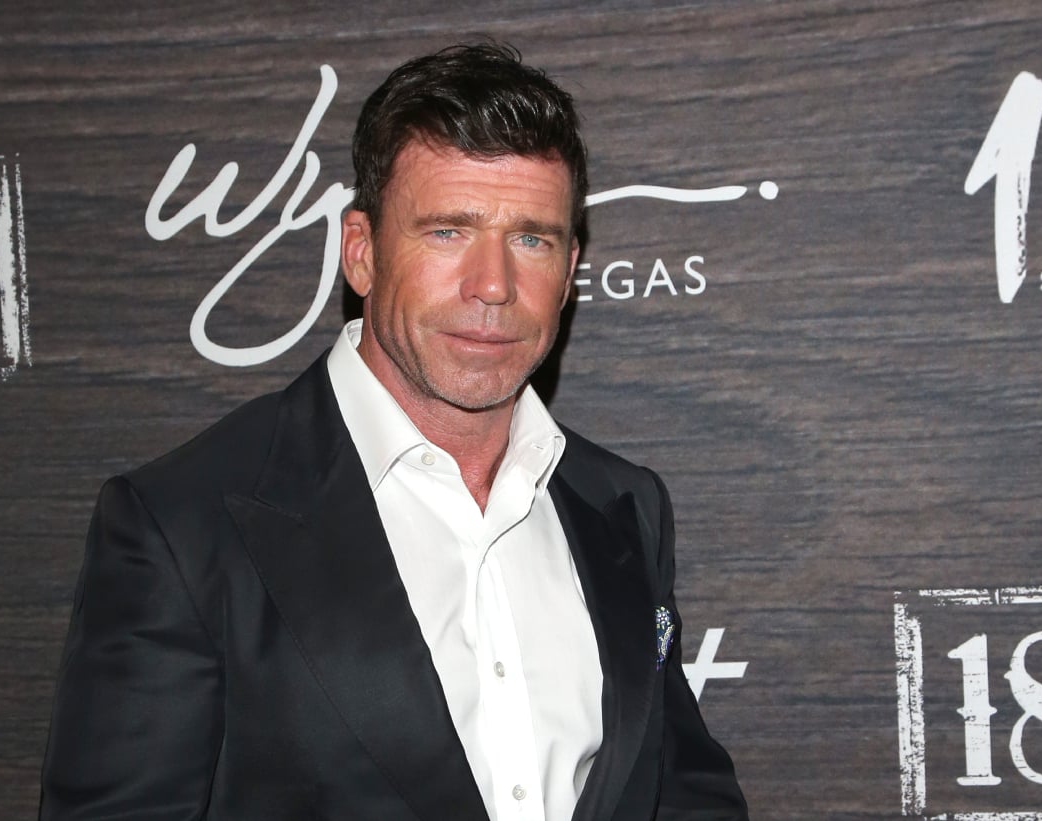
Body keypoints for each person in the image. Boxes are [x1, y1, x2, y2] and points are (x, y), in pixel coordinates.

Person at [40, 42, 747, 821]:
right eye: (448, 231)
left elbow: (684, 795)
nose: (493, 284)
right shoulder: (182, 526)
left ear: (570, 265)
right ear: (361, 252)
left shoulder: (623, 505)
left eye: (531, 239)